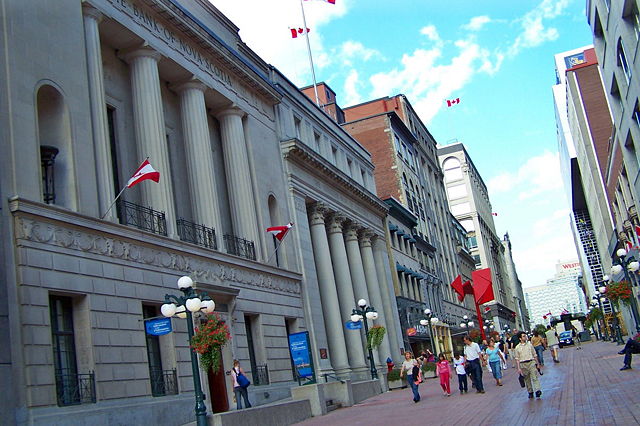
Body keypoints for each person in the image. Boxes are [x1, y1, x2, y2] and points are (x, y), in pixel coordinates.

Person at [514, 332, 542, 399]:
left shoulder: (530, 345)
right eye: (523, 336)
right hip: (523, 364)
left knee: (534, 377)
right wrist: (519, 368)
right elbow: (517, 359)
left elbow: (534, 354)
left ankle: (537, 390)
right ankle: (530, 392)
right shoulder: (517, 348)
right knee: (527, 379)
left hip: (531, 362)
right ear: (520, 338)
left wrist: (537, 363)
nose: (525, 337)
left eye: (525, 336)